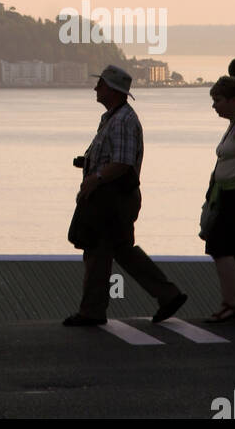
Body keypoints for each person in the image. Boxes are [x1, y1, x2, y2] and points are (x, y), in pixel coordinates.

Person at [64, 64, 187, 326]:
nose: (96, 88)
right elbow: (117, 159)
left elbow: (122, 163)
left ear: (113, 90)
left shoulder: (122, 121)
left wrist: (95, 178)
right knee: (120, 249)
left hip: (112, 198)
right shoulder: (114, 118)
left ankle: (92, 311)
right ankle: (168, 294)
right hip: (115, 197)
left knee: (97, 250)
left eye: (101, 84)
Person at [201, 76, 235, 322]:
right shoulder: (233, 125)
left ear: (233, 100)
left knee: (228, 247)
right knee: (225, 247)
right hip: (224, 195)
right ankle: (233, 301)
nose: (214, 106)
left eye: (218, 100)